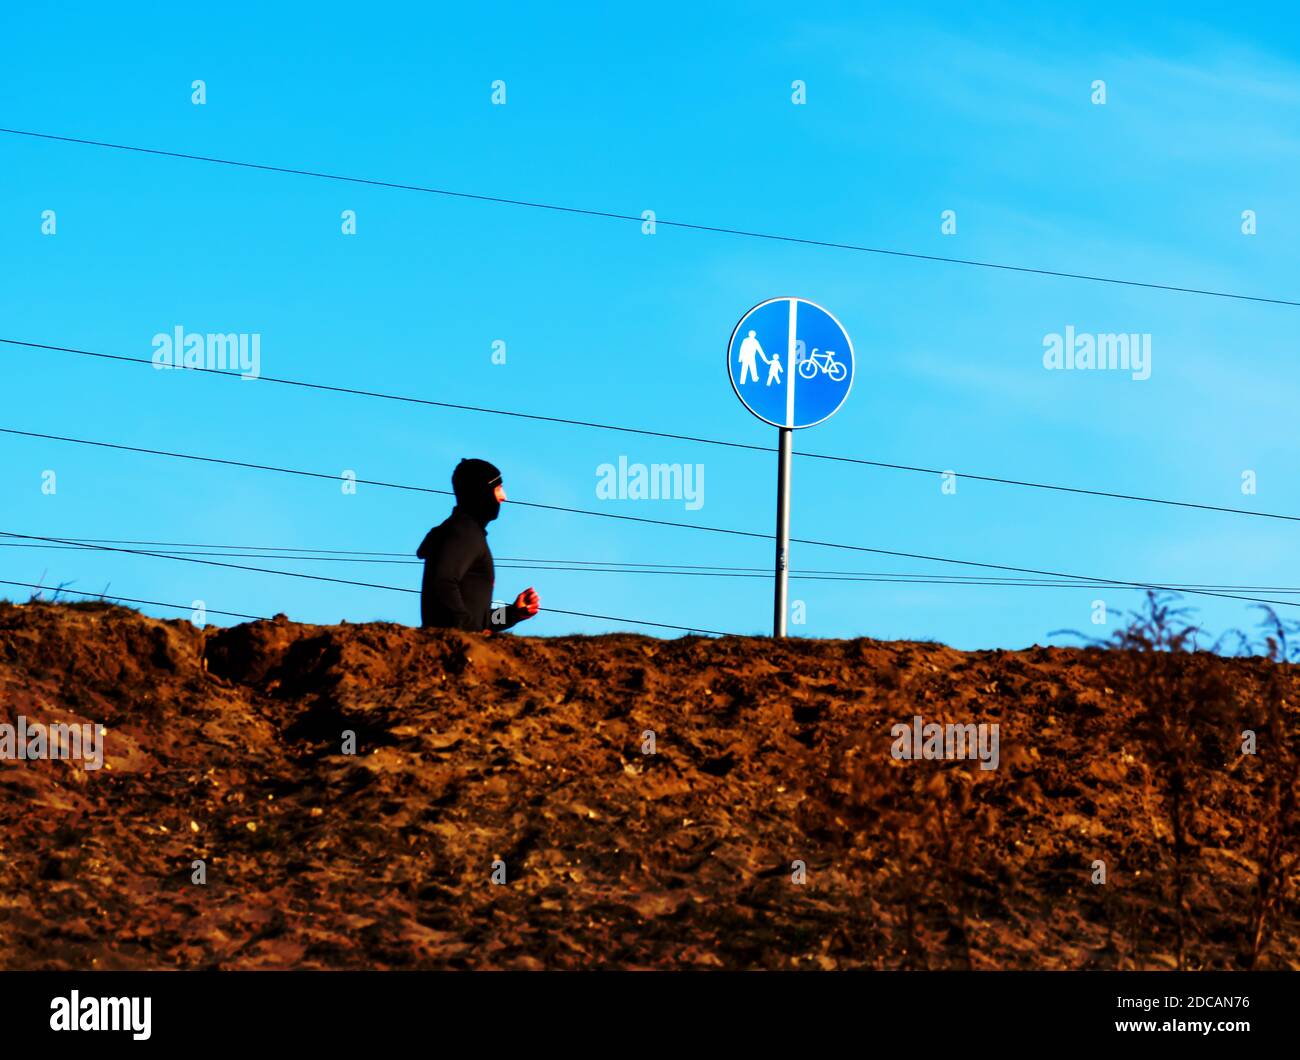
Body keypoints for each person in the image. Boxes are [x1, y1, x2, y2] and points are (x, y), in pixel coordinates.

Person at [416, 458, 540, 632]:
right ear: (481, 493)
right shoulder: (464, 533)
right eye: (498, 489)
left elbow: (480, 620)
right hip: (453, 652)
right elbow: (442, 583)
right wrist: (469, 633)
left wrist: (513, 613)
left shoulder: (467, 532)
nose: (504, 497)